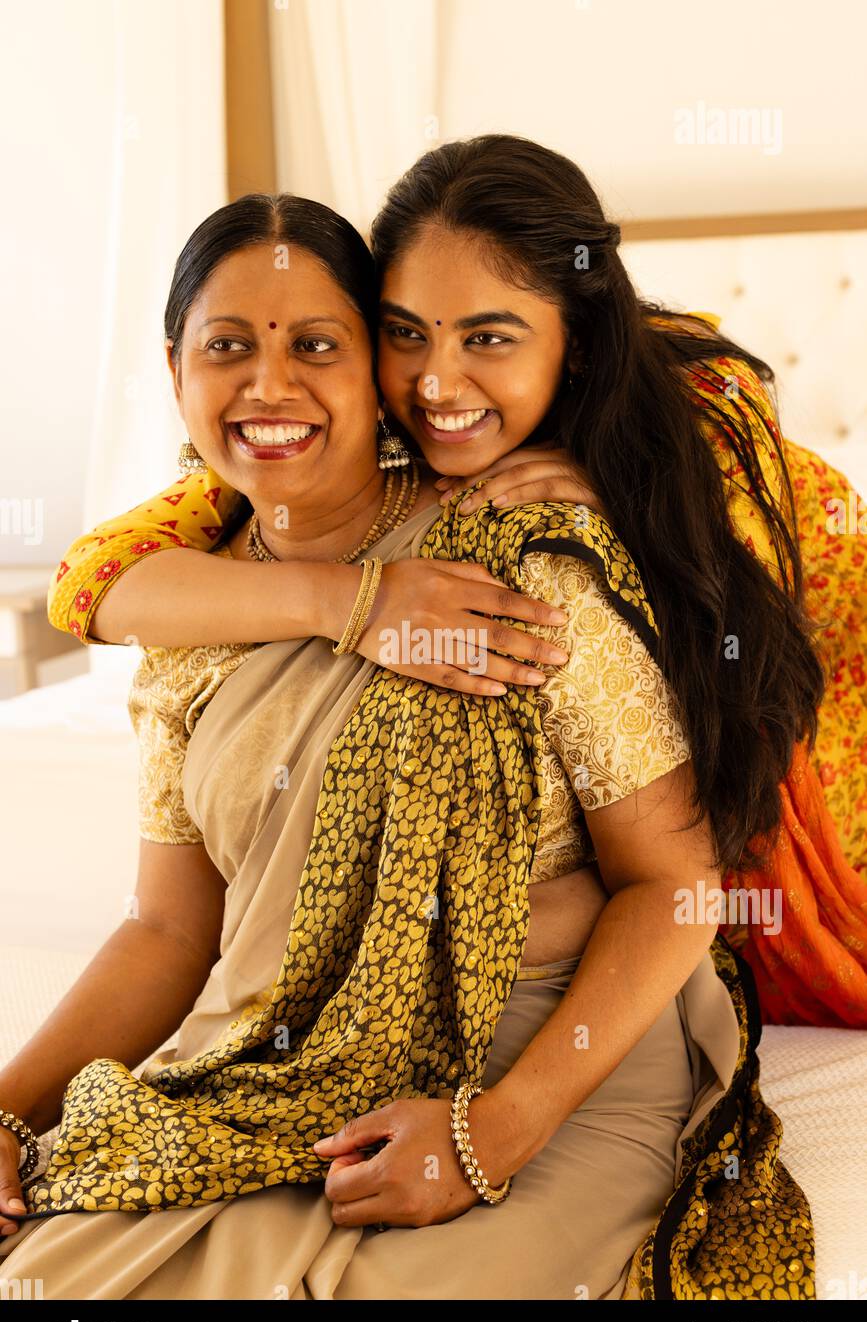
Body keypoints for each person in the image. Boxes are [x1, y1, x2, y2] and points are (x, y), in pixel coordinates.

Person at [0, 189, 811, 1299]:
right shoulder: (186, 615)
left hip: (551, 1064)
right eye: (227, 346)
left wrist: (491, 1135)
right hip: (290, 1065)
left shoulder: (520, 555)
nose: (270, 387)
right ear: (175, 368)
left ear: (369, 372)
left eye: (317, 345)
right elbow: (163, 930)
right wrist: (7, 1111)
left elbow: (675, 884)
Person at [47, 136, 867, 1029]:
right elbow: (91, 585)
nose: (436, 383)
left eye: (488, 337)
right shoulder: (304, 439)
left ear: (580, 344)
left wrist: (625, 487)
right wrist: (355, 601)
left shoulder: (704, 422)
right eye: (405, 333)